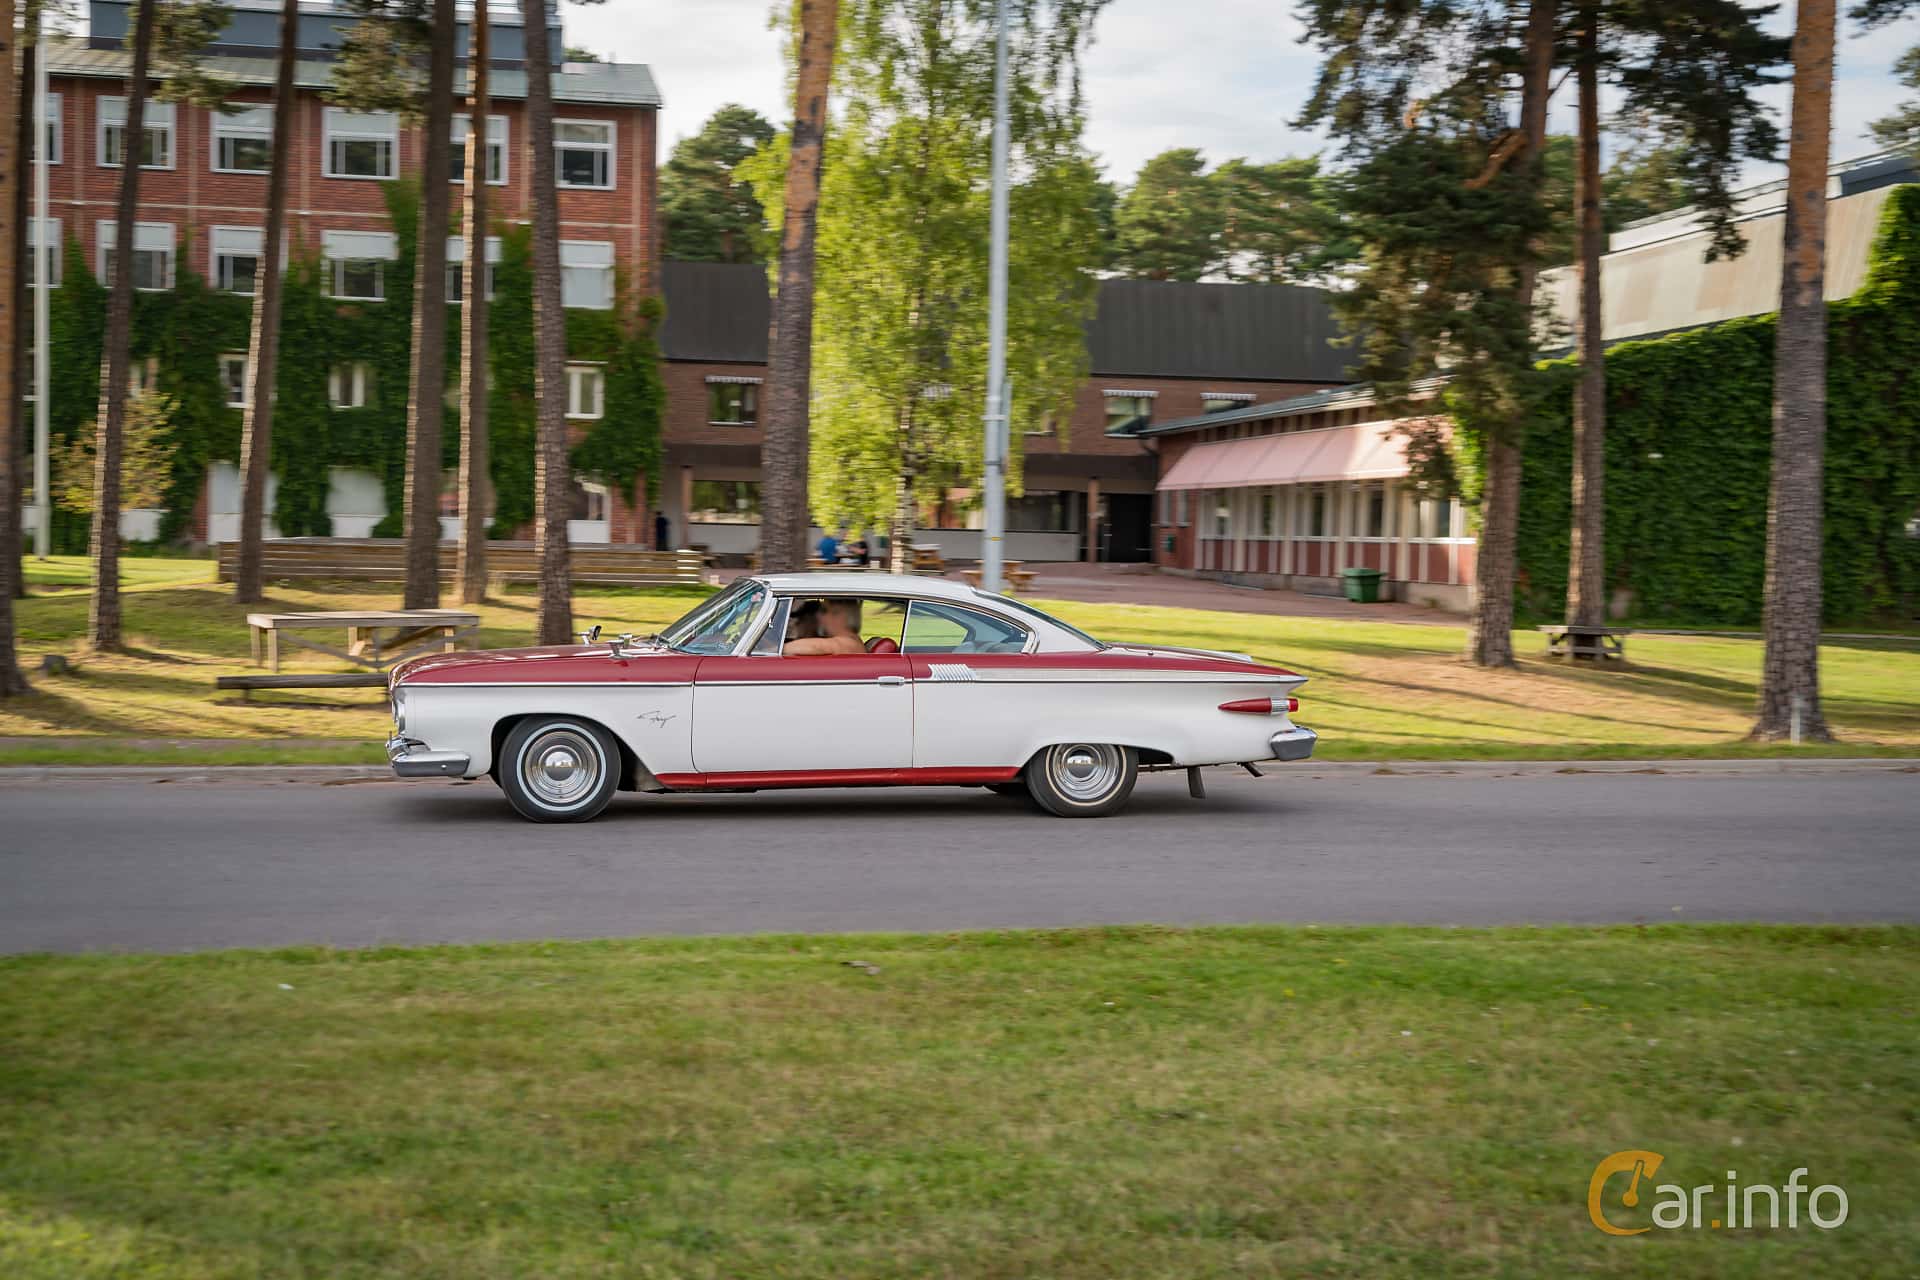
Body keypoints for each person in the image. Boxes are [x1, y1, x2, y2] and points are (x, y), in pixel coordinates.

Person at [783, 598, 866, 655]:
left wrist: (777, 649)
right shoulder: (848, 640)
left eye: (824, 611)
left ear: (840, 617)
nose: (818, 616)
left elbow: (817, 647)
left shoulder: (849, 643)